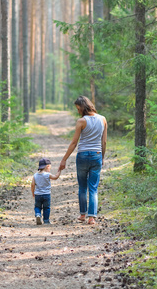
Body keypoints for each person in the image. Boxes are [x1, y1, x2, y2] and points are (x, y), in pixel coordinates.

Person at [59, 96, 107, 225]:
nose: (78, 111)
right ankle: (92, 217)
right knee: (93, 188)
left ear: (82, 107)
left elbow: (74, 142)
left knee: (82, 186)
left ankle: (82, 215)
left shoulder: (81, 121)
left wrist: (64, 159)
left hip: (83, 156)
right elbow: (104, 141)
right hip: (97, 155)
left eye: (78, 108)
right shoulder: (103, 119)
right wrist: (102, 157)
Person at [31, 158, 61, 225]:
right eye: (50, 167)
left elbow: (32, 185)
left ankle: (38, 214)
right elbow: (55, 177)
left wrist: (33, 193)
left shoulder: (35, 175)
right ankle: (46, 220)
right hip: (46, 194)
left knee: (37, 207)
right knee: (46, 208)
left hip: (38, 195)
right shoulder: (47, 174)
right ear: (47, 166)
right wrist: (59, 170)